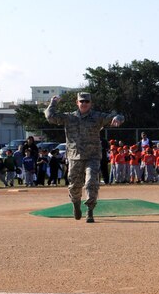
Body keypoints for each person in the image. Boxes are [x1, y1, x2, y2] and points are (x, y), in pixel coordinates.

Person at [44, 92, 124, 222]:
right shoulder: (69, 117)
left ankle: (90, 211)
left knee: (91, 182)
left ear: (90, 103)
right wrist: (53, 103)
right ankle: (76, 204)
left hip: (92, 156)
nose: (84, 104)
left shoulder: (97, 117)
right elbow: (50, 116)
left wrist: (118, 118)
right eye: (81, 101)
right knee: (75, 185)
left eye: (86, 102)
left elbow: (117, 116)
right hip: (75, 156)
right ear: (77, 103)